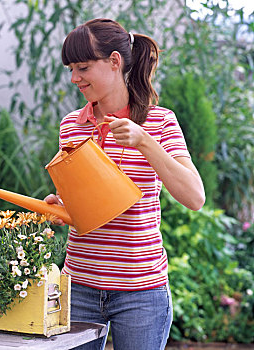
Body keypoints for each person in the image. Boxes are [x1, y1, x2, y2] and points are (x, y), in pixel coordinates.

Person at [45, 18, 205, 350]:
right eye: (72, 69)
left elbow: (194, 197)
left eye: (83, 67)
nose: (75, 78)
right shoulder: (71, 127)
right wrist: (63, 209)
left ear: (115, 62)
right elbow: (85, 205)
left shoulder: (160, 123)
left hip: (141, 292)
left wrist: (145, 142)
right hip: (79, 287)